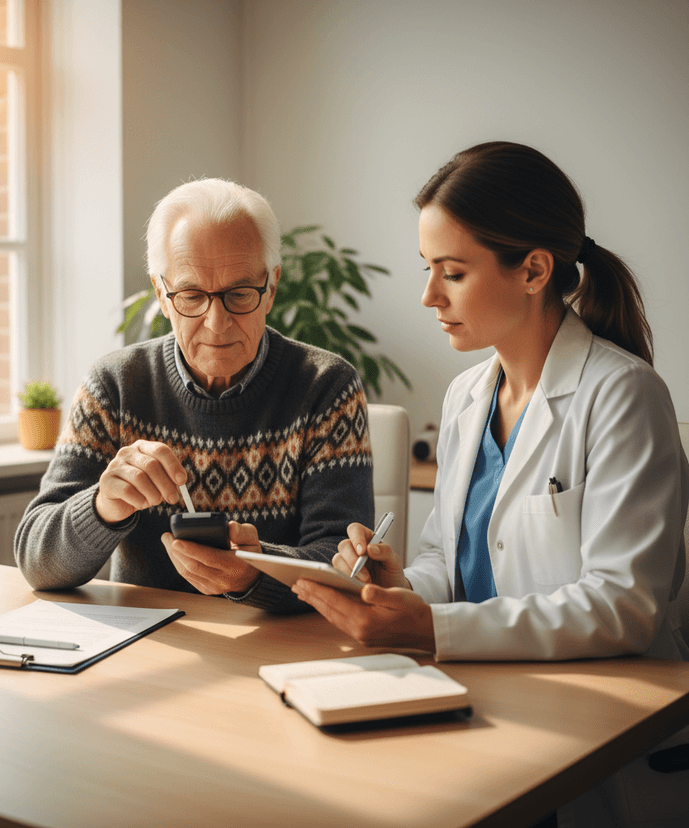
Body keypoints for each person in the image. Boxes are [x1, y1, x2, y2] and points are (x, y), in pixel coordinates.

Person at [292, 142, 689, 827]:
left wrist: (432, 624)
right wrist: (403, 584)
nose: (428, 296)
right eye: (428, 270)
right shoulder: (468, 396)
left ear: (533, 270)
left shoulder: (624, 396)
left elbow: (627, 605)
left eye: (452, 272)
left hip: (589, 730)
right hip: (479, 701)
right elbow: (452, 557)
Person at [15, 178, 374, 613]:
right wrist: (102, 506)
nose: (216, 322)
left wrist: (256, 571)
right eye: (191, 296)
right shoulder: (114, 386)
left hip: (278, 648)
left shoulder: (326, 388)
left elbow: (345, 566)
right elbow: (36, 562)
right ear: (161, 295)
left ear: (272, 287)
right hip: (148, 651)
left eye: (240, 294)